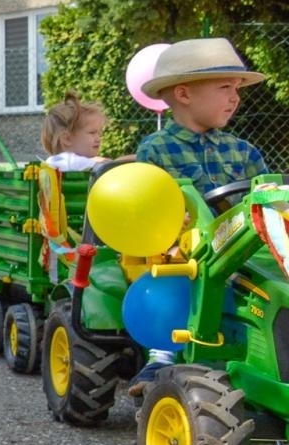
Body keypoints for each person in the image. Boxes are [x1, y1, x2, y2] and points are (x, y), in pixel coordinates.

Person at [128, 37, 268, 393]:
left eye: (237, 88)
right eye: (224, 87)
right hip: (181, 250)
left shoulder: (244, 152)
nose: (235, 97)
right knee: (177, 275)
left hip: (242, 245)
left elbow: (265, 199)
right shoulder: (155, 149)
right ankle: (161, 355)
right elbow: (148, 205)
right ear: (184, 94)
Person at [40, 91, 108, 171]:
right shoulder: (71, 162)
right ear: (67, 139)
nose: (98, 138)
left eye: (99, 133)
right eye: (92, 133)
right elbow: (108, 167)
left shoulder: (54, 161)